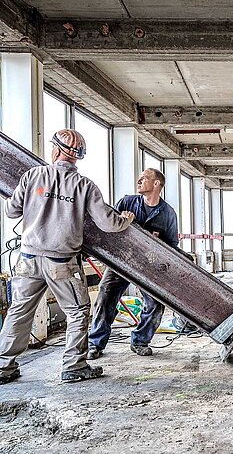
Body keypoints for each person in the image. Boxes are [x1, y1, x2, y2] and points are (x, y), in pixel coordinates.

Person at [0, 129, 135, 385]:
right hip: (61, 262)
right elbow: (108, 223)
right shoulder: (84, 186)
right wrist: (126, 219)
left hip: (28, 258)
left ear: (56, 150)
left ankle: (4, 367)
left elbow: (11, 210)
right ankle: (74, 365)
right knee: (78, 311)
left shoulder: (33, 176)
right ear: (77, 156)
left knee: (19, 311)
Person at [87, 168, 179, 359]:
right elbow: (108, 226)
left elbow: (172, 246)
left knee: (155, 304)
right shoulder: (126, 202)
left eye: (144, 178)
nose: (139, 180)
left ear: (156, 184)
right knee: (105, 298)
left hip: (148, 267)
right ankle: (95, 344)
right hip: (121, 261)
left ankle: (140, 341)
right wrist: (124, 221)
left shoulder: (168, 214)